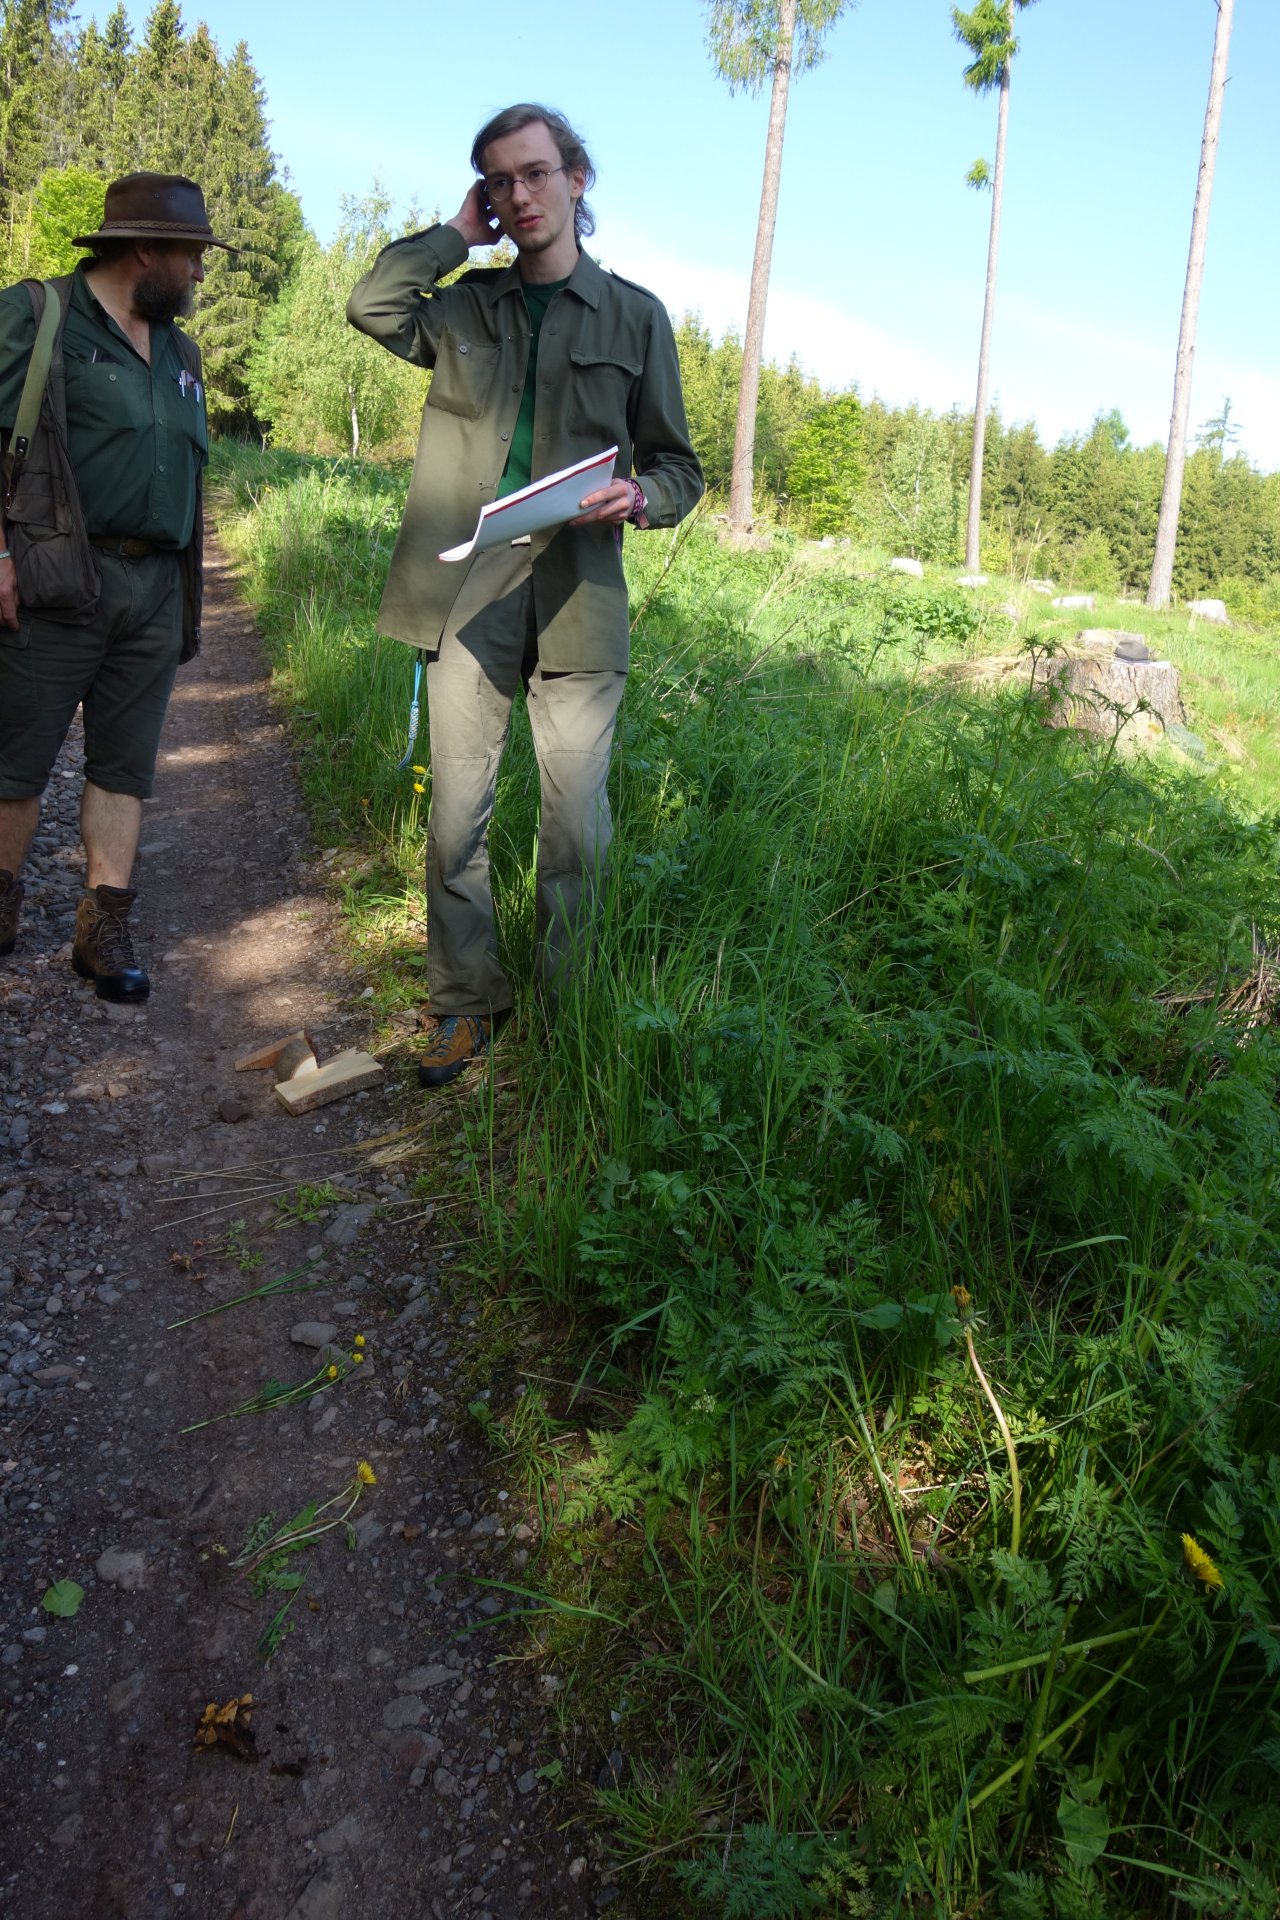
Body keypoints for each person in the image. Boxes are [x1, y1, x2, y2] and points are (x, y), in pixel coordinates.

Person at [347, 104, 703, 1087]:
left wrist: (642, 497)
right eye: (500, 181)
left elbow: (679, 465)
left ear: (576, 180)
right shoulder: (465, 308)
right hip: (466, 591)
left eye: (536, 172)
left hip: (579, 595)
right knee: (455, 818)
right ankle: (466, 1004)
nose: (520, 194)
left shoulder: (635, 317)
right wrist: (453, 237)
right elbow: (373, 306)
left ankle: (562, 1012)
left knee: (575, 825)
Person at [0, 172, 225, 1001]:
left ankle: (103, 929)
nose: (200, 271)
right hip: (55, 576)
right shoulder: (37, 316)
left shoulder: (180, 353)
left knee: (124, 767)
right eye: (191, 255)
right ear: (145, 251)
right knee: (14, 762)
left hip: (155, 588)